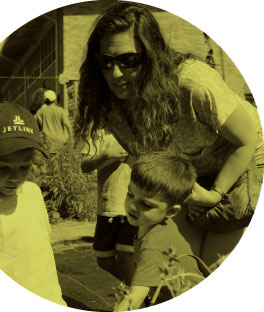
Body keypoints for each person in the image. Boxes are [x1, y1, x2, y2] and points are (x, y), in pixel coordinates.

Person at [75, 2, 264, 266]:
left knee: (212, 263)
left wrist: (215, 195)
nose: (115, 74)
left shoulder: (192, 84)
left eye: (127, 61)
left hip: (242, 160)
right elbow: (154, 163)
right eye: (105, 61)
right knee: (170, 263)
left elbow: (246, 139)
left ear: (152, 55)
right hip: (190, 177)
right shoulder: (113, 106)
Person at [0, 102, 67, 306]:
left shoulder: (32, 192)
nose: (15, 177)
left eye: (24, 166)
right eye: (2, 167)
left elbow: (43, 245)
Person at [114, 151, 203, 311]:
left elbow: (132, 301)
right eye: (130, 194)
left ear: (171, 212)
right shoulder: (152, 226)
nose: (132, 206)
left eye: (147, 205)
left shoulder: (154, 244)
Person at [81, 128, 137, 286]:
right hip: (108, 204)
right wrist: (106, 155)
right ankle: (143, 290)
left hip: (133, 204)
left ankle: (139, 297)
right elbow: (84, 166)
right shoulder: (98, 132)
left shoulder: (138, 127)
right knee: (103, 260)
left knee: (126, 258)